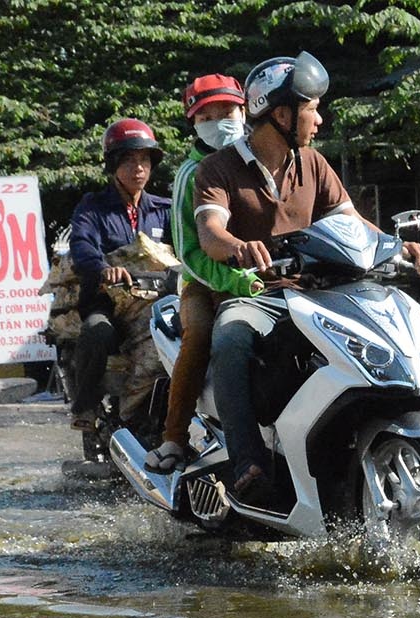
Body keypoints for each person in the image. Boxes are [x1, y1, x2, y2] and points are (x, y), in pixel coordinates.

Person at [192, 51, 420, 500]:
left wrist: (400, 246)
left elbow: (354, 223)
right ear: (281, 114)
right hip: (259, 293)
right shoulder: (218, 168)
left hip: (320, 291)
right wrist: (238, 248)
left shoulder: (314, 164)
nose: (318, 119)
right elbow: (209, 232)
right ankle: (248, 461)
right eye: (311, 108)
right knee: (229, 340)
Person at [145, 73, 247, 473]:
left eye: (229, 111)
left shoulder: (255, 162)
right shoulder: (191, 174)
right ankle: (173, 437)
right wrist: (236, 280)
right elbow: (189, 254)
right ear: (195, 121)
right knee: (200, 334)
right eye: (211, 114)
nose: (223, 120)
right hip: (204, 285)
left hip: (263, 278)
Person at [66, 119, 172, 435]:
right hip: (108, 305)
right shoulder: (93, 207)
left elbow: (184, 251)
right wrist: (102, 269)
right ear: (113, 165)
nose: (138, 168)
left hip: (155, 303)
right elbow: (82, 244)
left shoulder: (164, 210)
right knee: (96, 332)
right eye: (129, 160)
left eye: (144, 160)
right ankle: (85, 407)